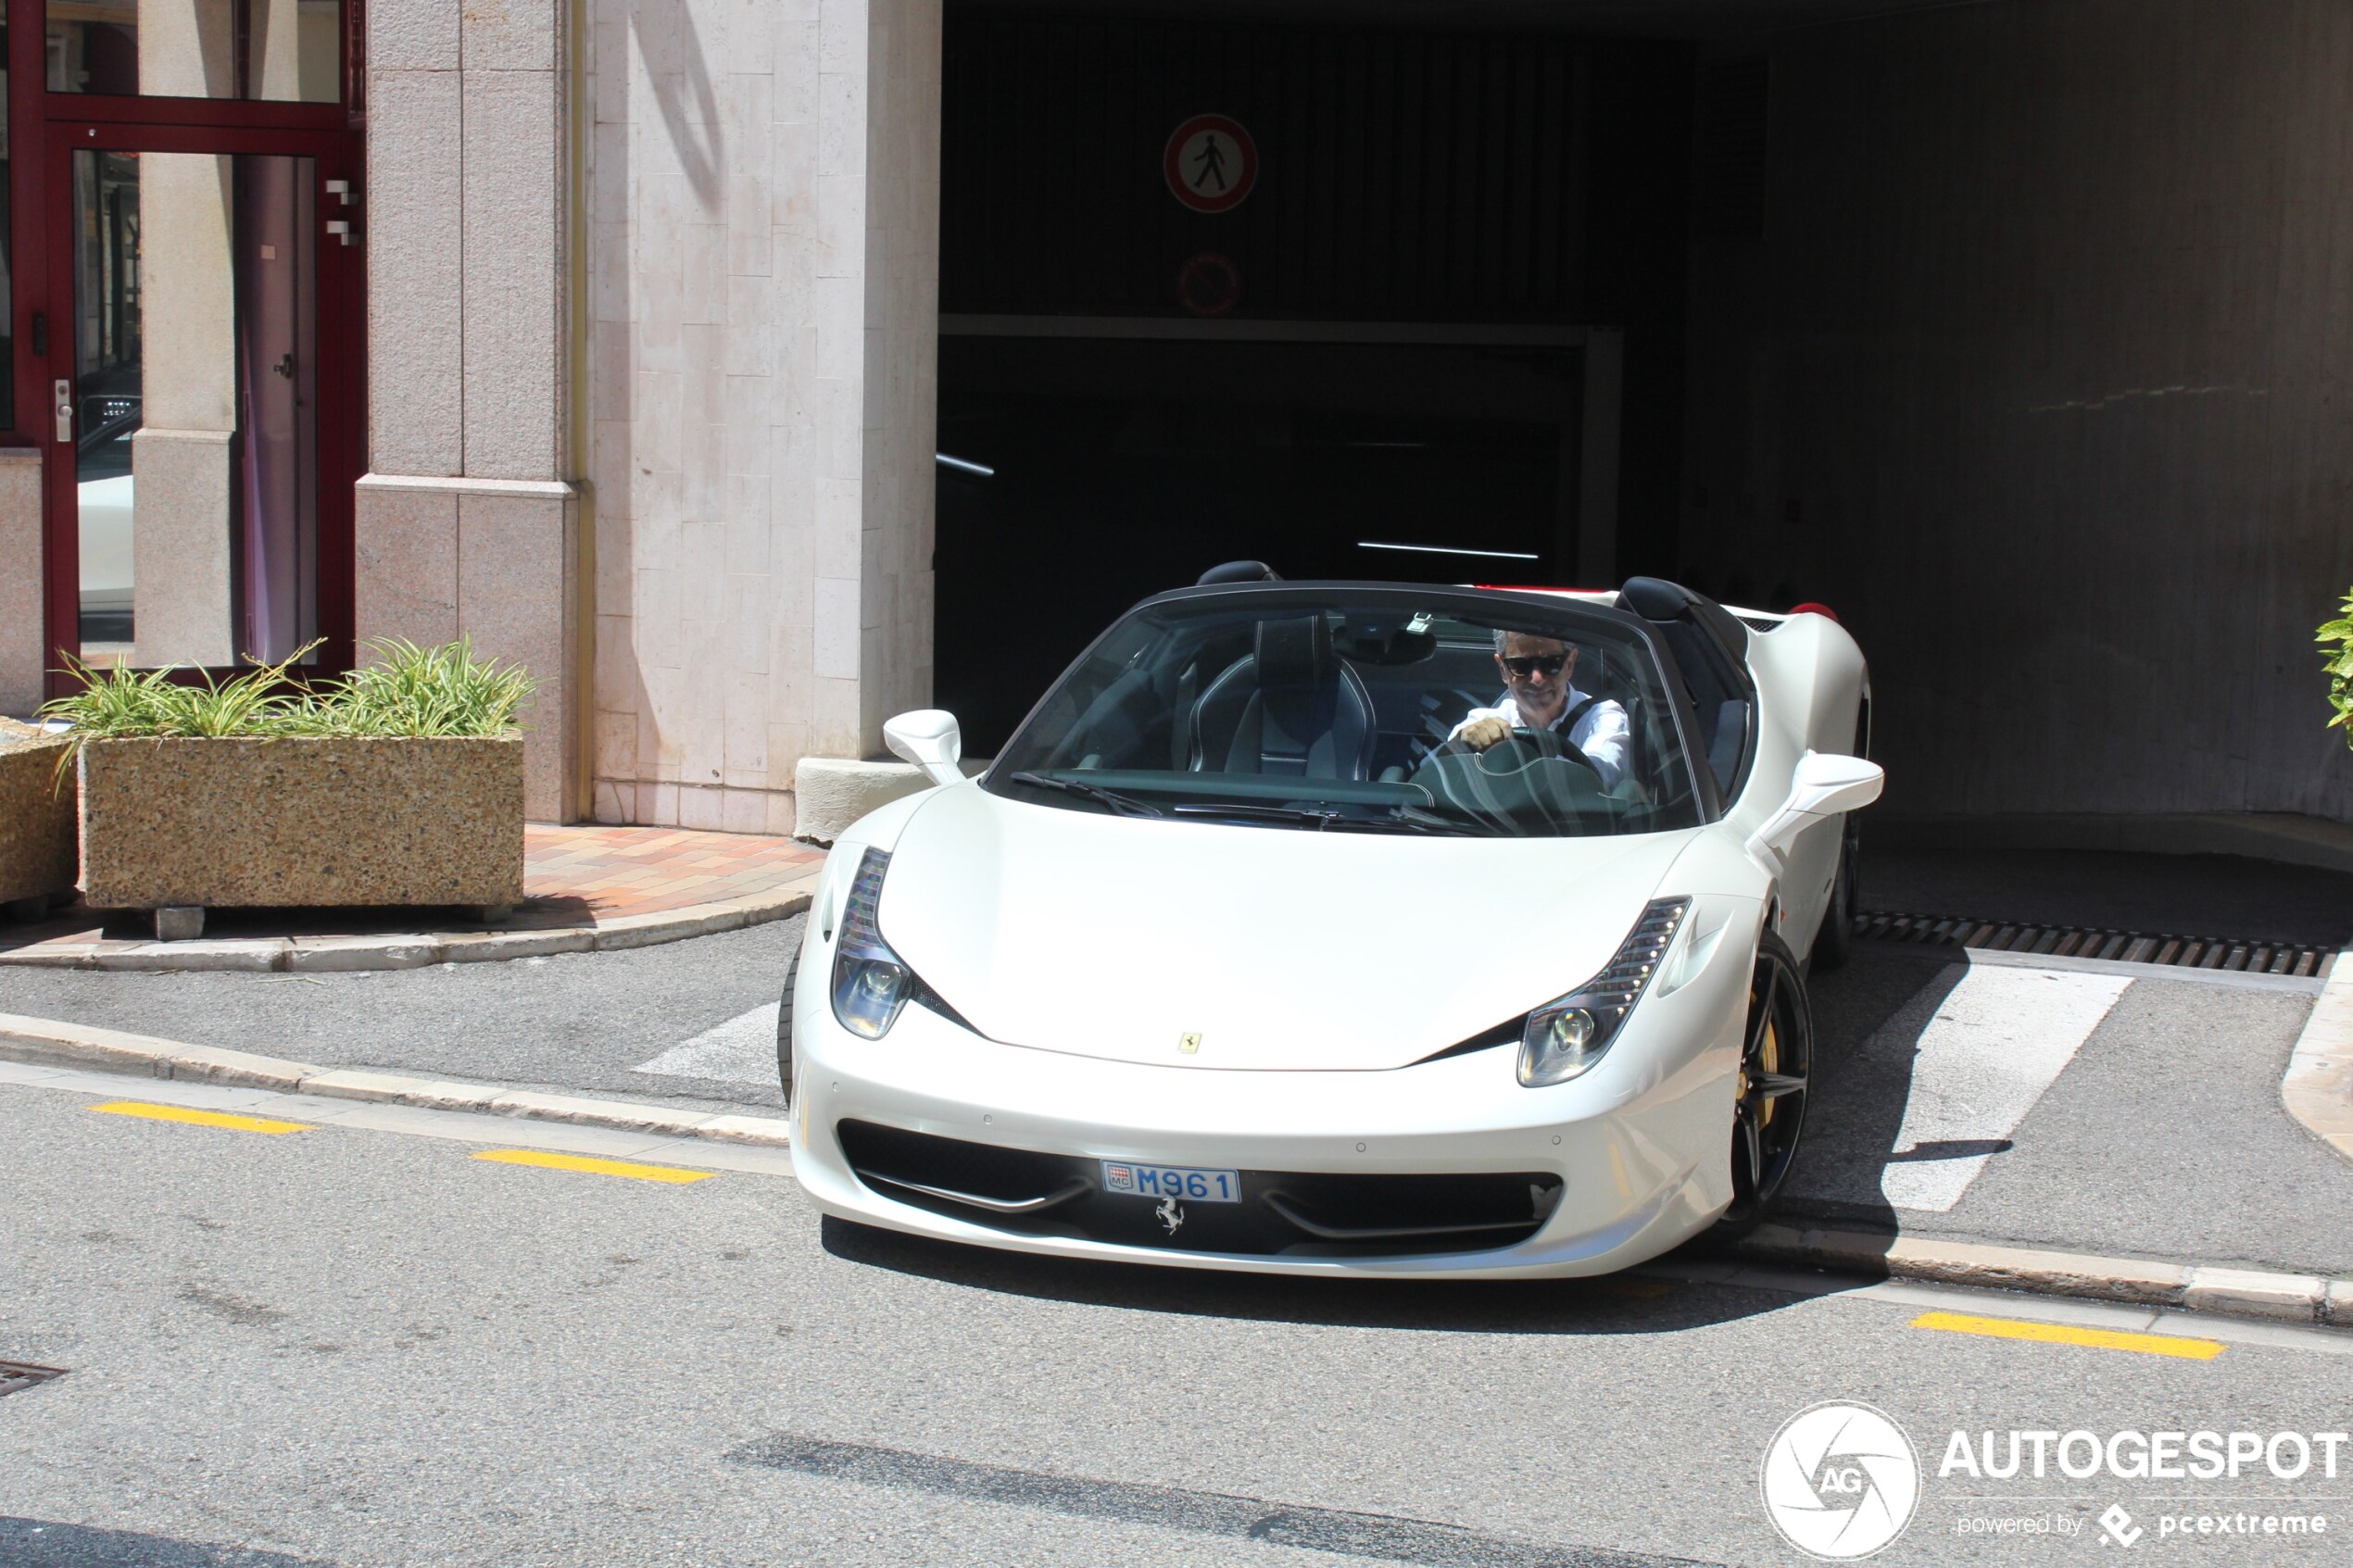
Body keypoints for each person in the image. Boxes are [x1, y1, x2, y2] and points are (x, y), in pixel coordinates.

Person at [1445, 630, 1630, 789]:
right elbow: (1432, 775)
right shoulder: (1480, 722)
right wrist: (1461, 745)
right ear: (1503, 669)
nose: (1537, 679)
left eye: (1550, 663)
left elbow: (1601, 775)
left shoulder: (1602, 717)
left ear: (1569, 664)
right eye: (1521, 666)